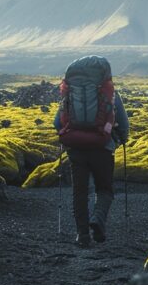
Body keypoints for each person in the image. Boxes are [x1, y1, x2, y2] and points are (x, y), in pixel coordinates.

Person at [53, 56, 130, 248]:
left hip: (76, 149)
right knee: (104, 189)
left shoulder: (69, 92)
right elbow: (122, 121)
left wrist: (66, 136)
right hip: (102, 147)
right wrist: (121, 139)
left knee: (80, 192)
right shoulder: (109, 92)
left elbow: (57, 122)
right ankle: (98, 220)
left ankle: (82, 235)